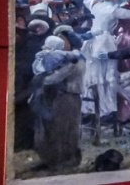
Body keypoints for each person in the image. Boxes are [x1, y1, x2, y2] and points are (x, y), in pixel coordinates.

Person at [31, 34, 86, 170]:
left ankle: (64, 161)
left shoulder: (73, 62)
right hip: (62, 97)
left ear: (71, 43)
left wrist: (41, 78)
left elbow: (54, 79)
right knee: (55, 129)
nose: (61, 45)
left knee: (64, 130)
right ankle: (52, 160)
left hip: (68, 97)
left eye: (64, 42)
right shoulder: (66, 59)